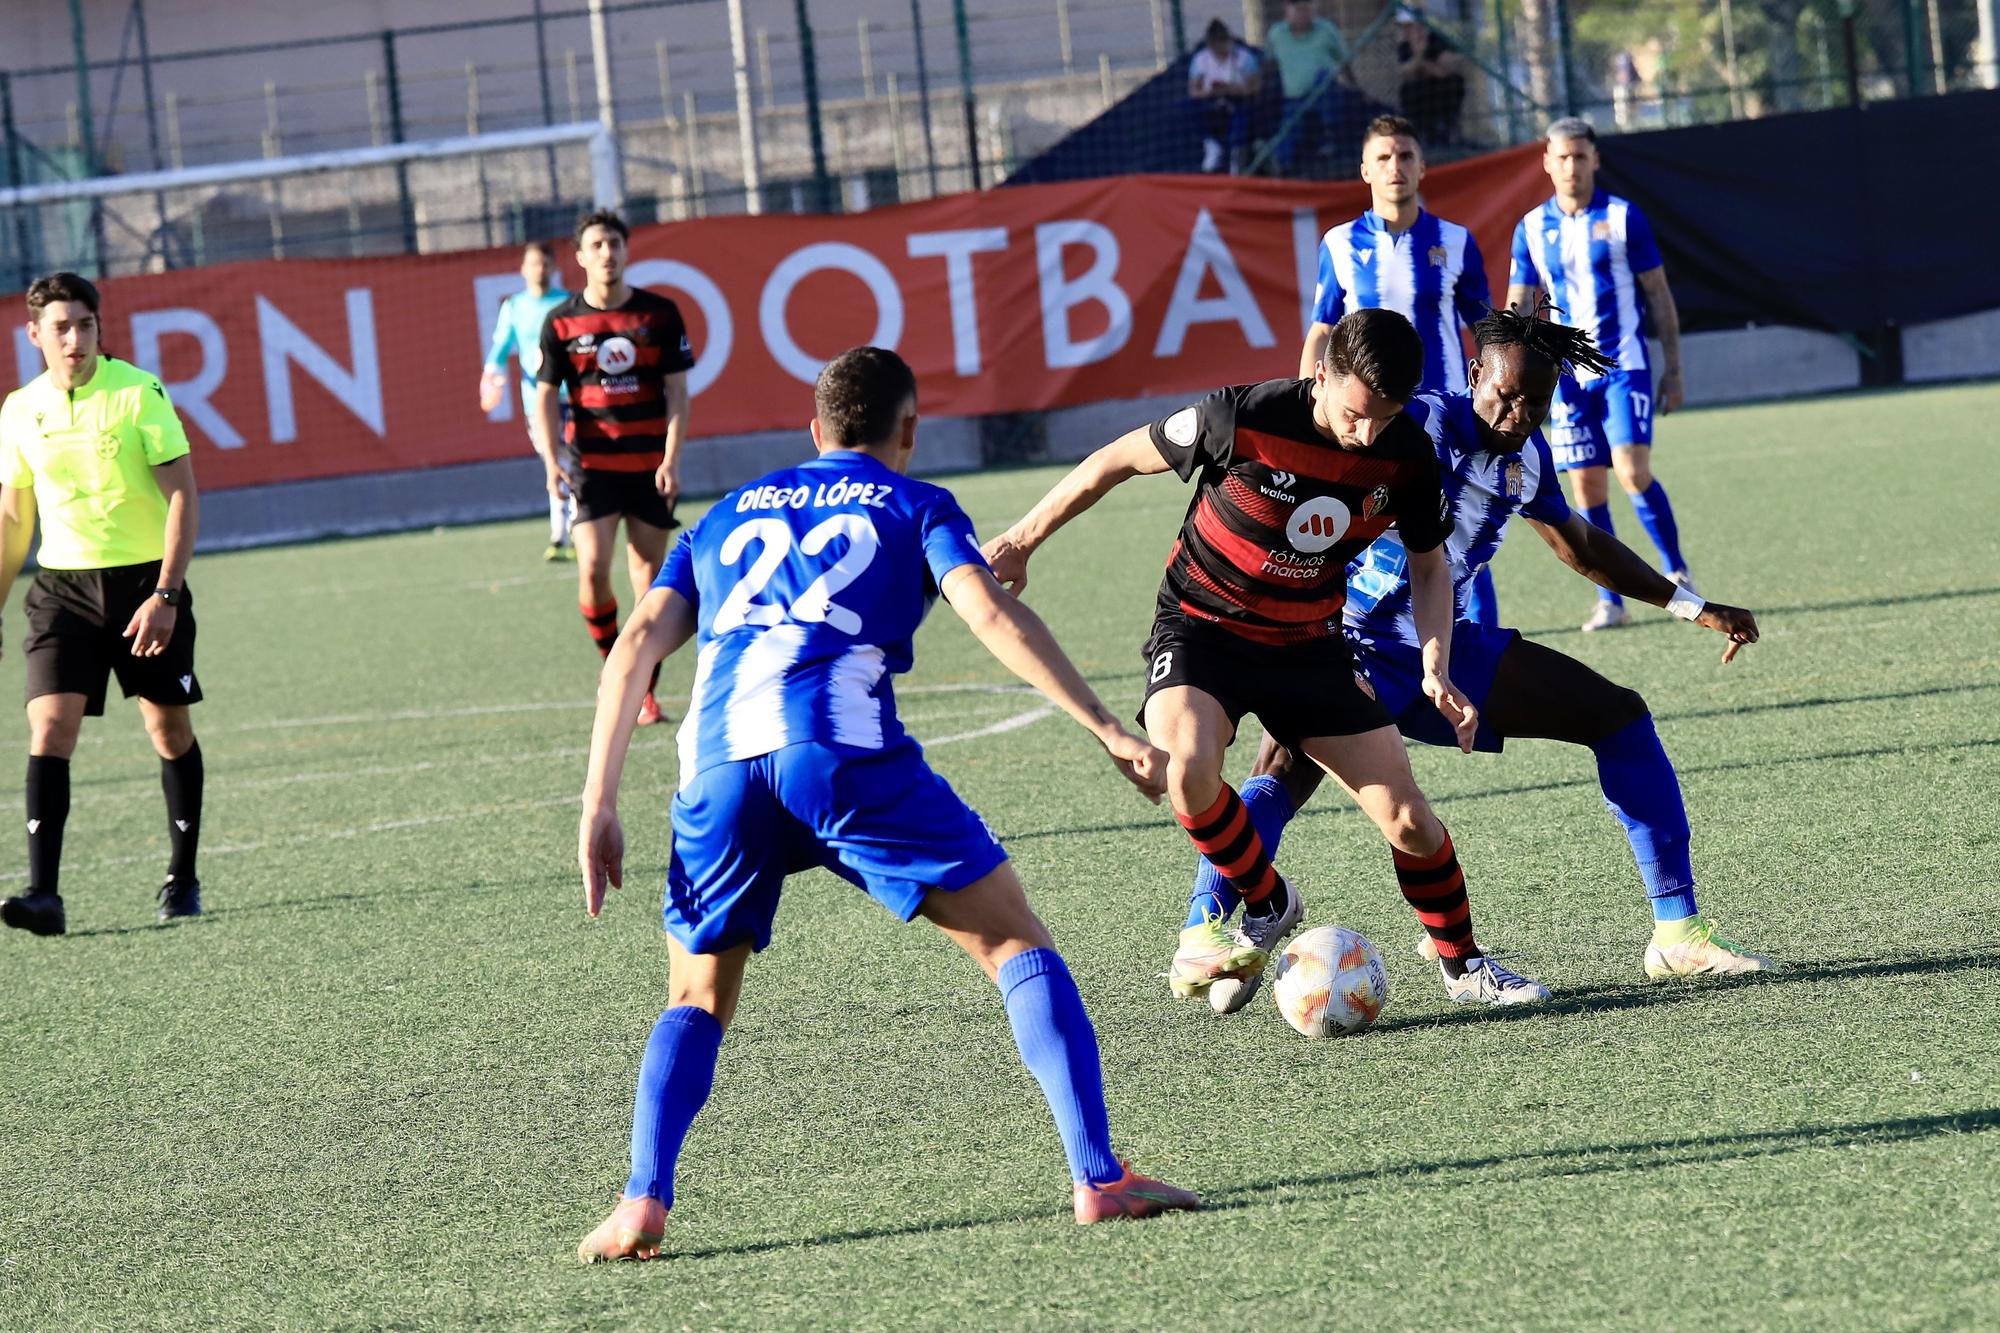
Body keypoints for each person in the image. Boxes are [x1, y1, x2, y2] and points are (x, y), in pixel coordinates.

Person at [571, 347, 1198, 1261]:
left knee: (697, 996)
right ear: (910, 431)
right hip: (841, 754)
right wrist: (1108, 728)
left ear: (812, 430)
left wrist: (598, 799)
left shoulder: (726, 514)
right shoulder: (917, 503)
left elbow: (634, 646)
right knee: (1012, 939)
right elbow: (990, 614)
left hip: (714, 771)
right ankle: (1099, 1174)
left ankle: (640, 1202)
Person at [983, 308, 1550, 1016]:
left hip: (1307, 646)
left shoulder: (1404, 452)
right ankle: (1269, 897)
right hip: (1201, 629)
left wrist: (1435, 664)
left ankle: (1464, 965)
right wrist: (1022, 538)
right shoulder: (1242, 416)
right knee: (1186, 768)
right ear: (1322, 374)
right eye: (1354, 414)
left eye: (1384, 416)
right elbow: (1116, 460)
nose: (1366, 432)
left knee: (1408, 816)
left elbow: (1429, 565)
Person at [1185, 306, 1773, 982]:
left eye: (1537, 402)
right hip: (1344, 641)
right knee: (1281, 775)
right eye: (1504, 394)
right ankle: (1205, 927)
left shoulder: (1527, 458)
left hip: (1443, 648)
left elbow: (1580, 546)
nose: (1518, 413)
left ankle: (1678, 932)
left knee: (1618, 716)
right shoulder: (1408, 425)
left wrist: (1692, 606)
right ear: (1474, 375)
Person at [0, 273, 204, 937]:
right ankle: (44, 896)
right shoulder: (19, 409)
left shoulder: (138, 393)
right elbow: (12, 518)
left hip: (146, 584)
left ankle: (182, 875)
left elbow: (183, 497)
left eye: (85, 324)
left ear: (99, 327)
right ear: (34, 334)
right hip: (62, 590)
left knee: (167, 730)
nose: (75, 338)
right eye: (60, 327)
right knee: (50, 728)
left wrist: (166, 593)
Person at [1301, 114, 1500, 623]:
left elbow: (1486, 331)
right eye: (1384, 158)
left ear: (1423, 167)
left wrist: (1497, 398)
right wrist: (1309, 401)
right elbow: (1323, 330)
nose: (1396, 167)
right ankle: (1360, 650)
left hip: (1446, 419)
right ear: (1364, 171)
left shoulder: (1455, 241)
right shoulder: (1339, 244)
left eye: (1406, 156)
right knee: (1361, 532)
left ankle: (1476, 646)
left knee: (1459, 536)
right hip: (1369, 421)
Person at [1507, 117, 1692, 633]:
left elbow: (1657, 293)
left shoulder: (1624, 217)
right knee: (1586, 492)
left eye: (1580, 157)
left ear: (1595, 161)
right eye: (1561, 157)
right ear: (1547, 163)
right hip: (1567, 380)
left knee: (1632, 471)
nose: (1571, 166)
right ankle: (1611, 598)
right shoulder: (1532, 227)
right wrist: (1513, 372)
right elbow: (1520, 305)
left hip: (1623, 366)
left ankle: (1677, 570)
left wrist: (1673, 368)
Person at [532, 209, 693, 725]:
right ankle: (613, 666)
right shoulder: (560, 322)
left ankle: (642, 691)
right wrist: (551, 461)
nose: (608, 253)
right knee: (593, 570)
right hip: (592, 469)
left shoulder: (659, 315)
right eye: (597, 245)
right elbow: (543, 397)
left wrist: (671, 458)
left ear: (627, 251)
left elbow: (677, 394)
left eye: (615, 244)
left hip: (648, 468)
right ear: (579, 257)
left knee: (649, 583)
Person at [479, 240, 574, 562]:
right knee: (555, 463)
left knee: (574, 461)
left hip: (574, 397)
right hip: (537, 401)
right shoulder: (515, 307)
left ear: (554, 268)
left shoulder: (569, 303)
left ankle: (567, 535)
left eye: (546, 263)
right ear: (523, 269)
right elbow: (500, 347)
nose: (540, 269)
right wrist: (491, 373)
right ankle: (563, 535)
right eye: (534, 263)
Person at [1263, 0, 1353, 175]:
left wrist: (1355, 87)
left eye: (1307, 7)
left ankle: (1330, 136)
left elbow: (1344, 63)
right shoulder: (1276, 34)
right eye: (1297, 8)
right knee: (1287, 133)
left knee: (1324, 78)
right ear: (1287, 9)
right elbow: (1269, 66)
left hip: (1325, 94)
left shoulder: (1326, 30)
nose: (1303, 13)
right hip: (1293, 99)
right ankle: (1279, 166)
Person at [1187, 18, 1261, 174]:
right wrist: (1208, 92)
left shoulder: (1244, 58)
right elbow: (1193, 90)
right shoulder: (1201, 60)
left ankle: (1237, 154)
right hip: (1211, 101)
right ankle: (1211, 145)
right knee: (1191, 106)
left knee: (1245, 113)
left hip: (1238, 99)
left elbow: (1255, 87)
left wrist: (1233, 90)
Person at [1395, 9, 1467, 146]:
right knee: (1411, 90)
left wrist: (1423, 66)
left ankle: (1448, 128)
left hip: (1440, 91)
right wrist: (1420, 57)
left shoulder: (1436, 40)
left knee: (1453, 83)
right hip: (1420, 95)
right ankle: (1421, 133)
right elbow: (1405, 72)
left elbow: (1446, 68)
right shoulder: (1404, 46)